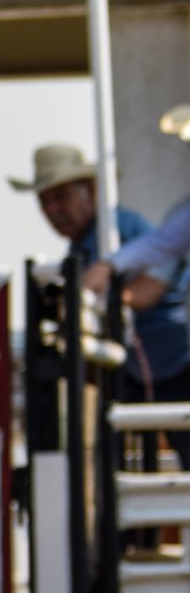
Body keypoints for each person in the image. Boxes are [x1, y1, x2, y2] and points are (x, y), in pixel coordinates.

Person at [13, 142, 190, 468]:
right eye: (45, 201)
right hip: (151, 367)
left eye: (61, 197)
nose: (53, 211)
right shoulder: (87, 245)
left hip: (174, 362)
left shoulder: (119, 229)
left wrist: (103, 299)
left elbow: (155, 283)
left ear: (91, 191)